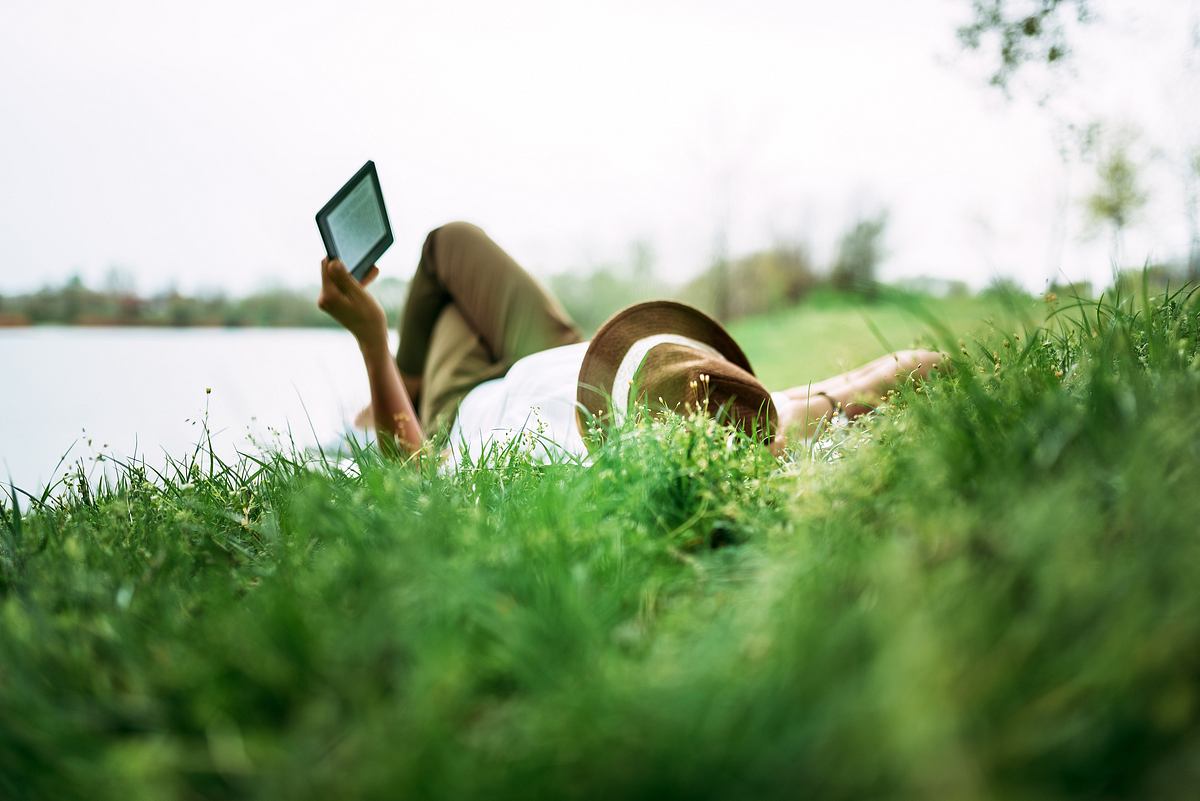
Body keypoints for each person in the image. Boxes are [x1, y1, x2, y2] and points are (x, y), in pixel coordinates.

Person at [317, 221, 941, 462]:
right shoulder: (733, 408)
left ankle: (391, 399)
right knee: (448, 245)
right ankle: (393, 393)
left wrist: (373, 340)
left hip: (469, 399)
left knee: (442, 267)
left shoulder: (538, 463)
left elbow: (421, 470)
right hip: (568, 360)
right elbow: (907, 369)